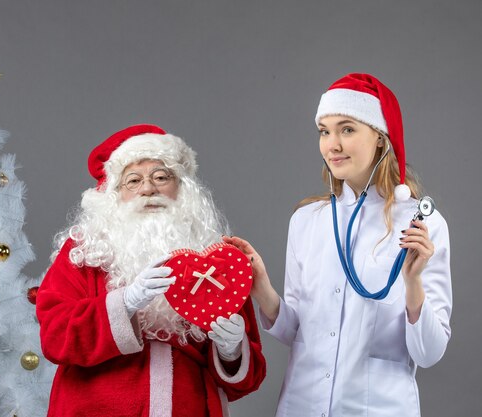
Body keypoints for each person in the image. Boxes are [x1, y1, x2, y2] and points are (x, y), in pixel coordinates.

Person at [224, 73, 452, 416]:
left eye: (347, 129)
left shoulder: (422, 225)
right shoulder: (307, 221)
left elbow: (429, 353)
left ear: (380, 138)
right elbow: (298, 332)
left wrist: (413, 283)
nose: (333, 144)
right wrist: (262, 289)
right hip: (302, 405)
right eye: (324, 131)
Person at [37, 124, 266, 417]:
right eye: (133, 180)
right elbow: (55, 336)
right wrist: (125, 303)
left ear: (182, 188)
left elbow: (246, 380)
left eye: (161, 177)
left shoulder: (215, 259)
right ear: (113, 193)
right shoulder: (84, 250)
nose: (148, 189)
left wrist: (232, 351)